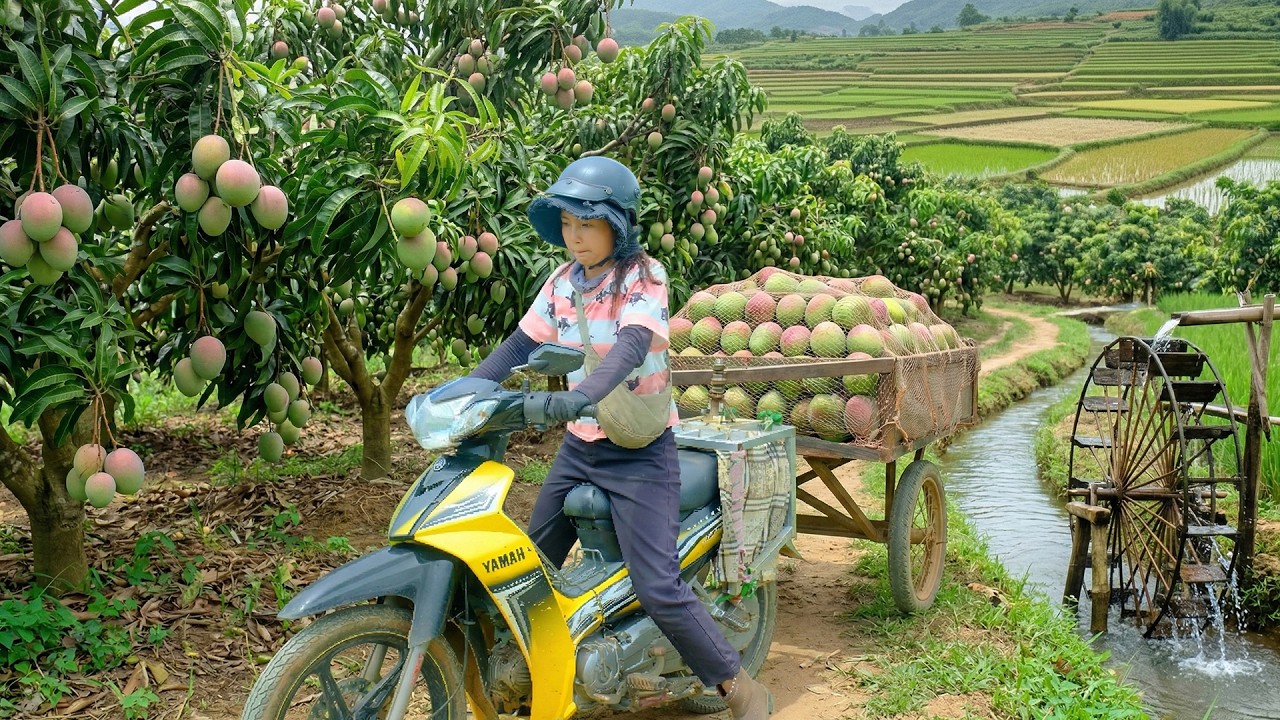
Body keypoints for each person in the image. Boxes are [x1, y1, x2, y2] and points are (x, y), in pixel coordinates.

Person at [467, 156, 772, 719]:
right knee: (531, 563)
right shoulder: (560, 283)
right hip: (581, 447)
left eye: (587, 223)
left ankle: (739, 689)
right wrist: (461, 389)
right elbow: (516, 348)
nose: (574, 236)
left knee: (658, 586)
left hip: (641, 452)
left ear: (617, 225)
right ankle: (549, 669)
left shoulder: (643, 277)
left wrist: (582, 393)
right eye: (566, 223)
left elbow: (631, 346)